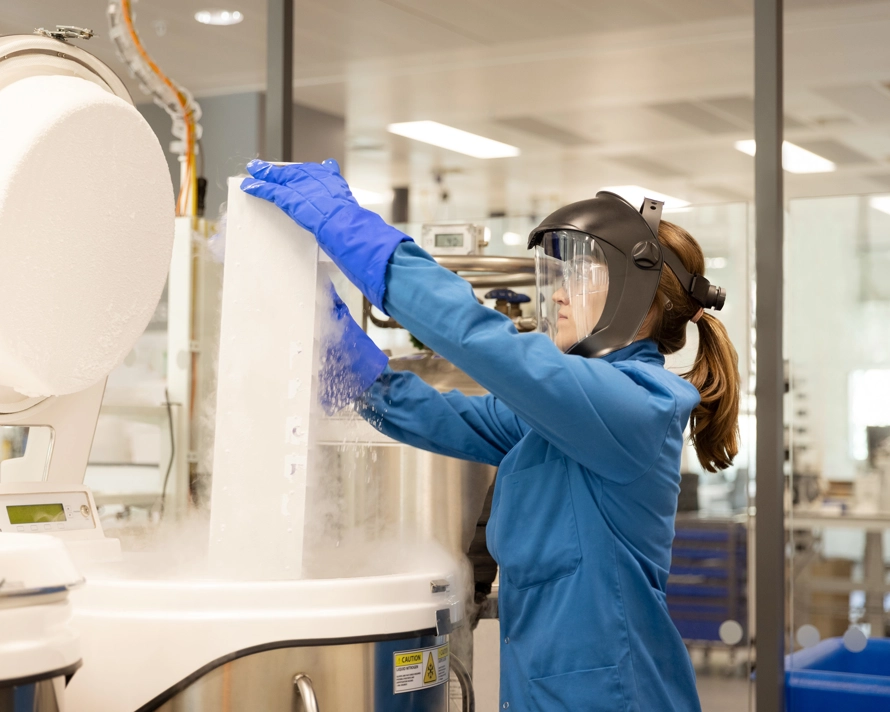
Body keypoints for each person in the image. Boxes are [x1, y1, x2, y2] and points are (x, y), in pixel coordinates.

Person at [241, 159, 740, 712]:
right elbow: (441, 417)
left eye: (583, 274)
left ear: (633, 291)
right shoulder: (564, 416)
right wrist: (337, 348)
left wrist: (352, 230)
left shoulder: (635, 405)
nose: (561, 295)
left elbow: (479, 339)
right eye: (558, 276)